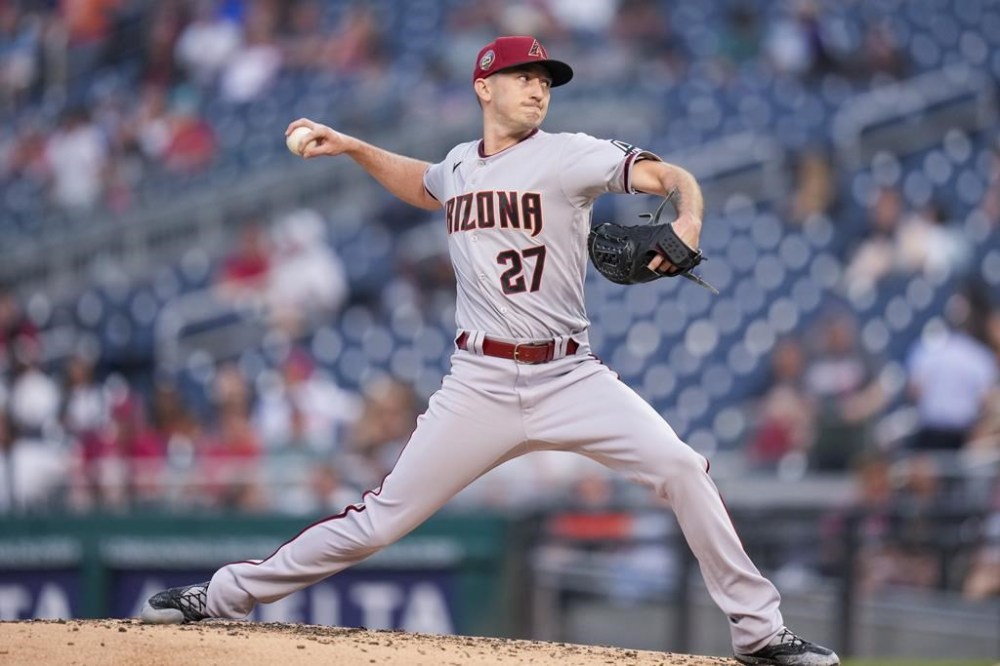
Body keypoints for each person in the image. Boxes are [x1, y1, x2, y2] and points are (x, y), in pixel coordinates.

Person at [140, 36, 838, 666]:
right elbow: (422, 181)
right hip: (478, 383)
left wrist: (687, 215)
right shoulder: (458, 168)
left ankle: (760, 632)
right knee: (377, 522)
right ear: (484, 87)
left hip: (570, 375)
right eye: (522, 76)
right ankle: (225, 595)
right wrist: (353, 148)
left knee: (683, 468)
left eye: (545, 79)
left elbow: (669, 174)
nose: (538, 88)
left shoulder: (570, 155)